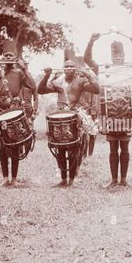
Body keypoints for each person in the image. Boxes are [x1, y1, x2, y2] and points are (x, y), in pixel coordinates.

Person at [84, 33, 132, 187]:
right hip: (110, 116)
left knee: (125, 147)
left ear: (124, 55)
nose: (118, 58)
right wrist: (91, 42)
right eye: (115, 55)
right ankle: (114, 180)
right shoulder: (104, 71)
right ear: (111, 56)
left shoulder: (130, 70)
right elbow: (88, 60)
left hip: (127, 114)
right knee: (113, 148)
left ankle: (124, 180)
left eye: (121, 55)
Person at [0, 39, 37, 187]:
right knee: (3, 145)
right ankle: (5, 179)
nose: (8, 58)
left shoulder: (20, 73)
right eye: (6, 56)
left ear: (15, 57)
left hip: (14, 111)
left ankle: (14, 179)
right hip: (0, 111)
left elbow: (33, 86)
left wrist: (25, 70)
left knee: (14, 144)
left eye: (11, 56)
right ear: (2, 57)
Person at [38, 56, 100, 187]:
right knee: (59, 147)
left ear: (75, 69)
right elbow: (41, 90)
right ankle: (63, 179)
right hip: (60, 114)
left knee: (74, 147)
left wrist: (88, 74)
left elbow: (96, 89)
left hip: (74, 114)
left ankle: (71, 179)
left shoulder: (80, 81)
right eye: (66, 67)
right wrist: (47, 76)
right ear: (63, 69)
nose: (68, 69)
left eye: (71, 67)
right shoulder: (58, 81)